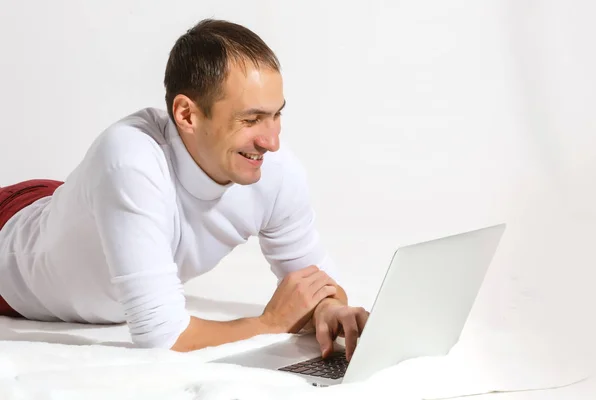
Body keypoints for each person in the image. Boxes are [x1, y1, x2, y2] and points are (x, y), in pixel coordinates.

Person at [0, 18, 368, 360]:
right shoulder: (129, 162)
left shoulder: (275, 170)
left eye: (276, 115)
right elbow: (162, 337)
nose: (271, 141)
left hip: (70, 208)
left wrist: (330, 310)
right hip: (12, 245)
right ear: (187, 115)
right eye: (251, 119)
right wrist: (268, 325)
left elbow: (318, 281)